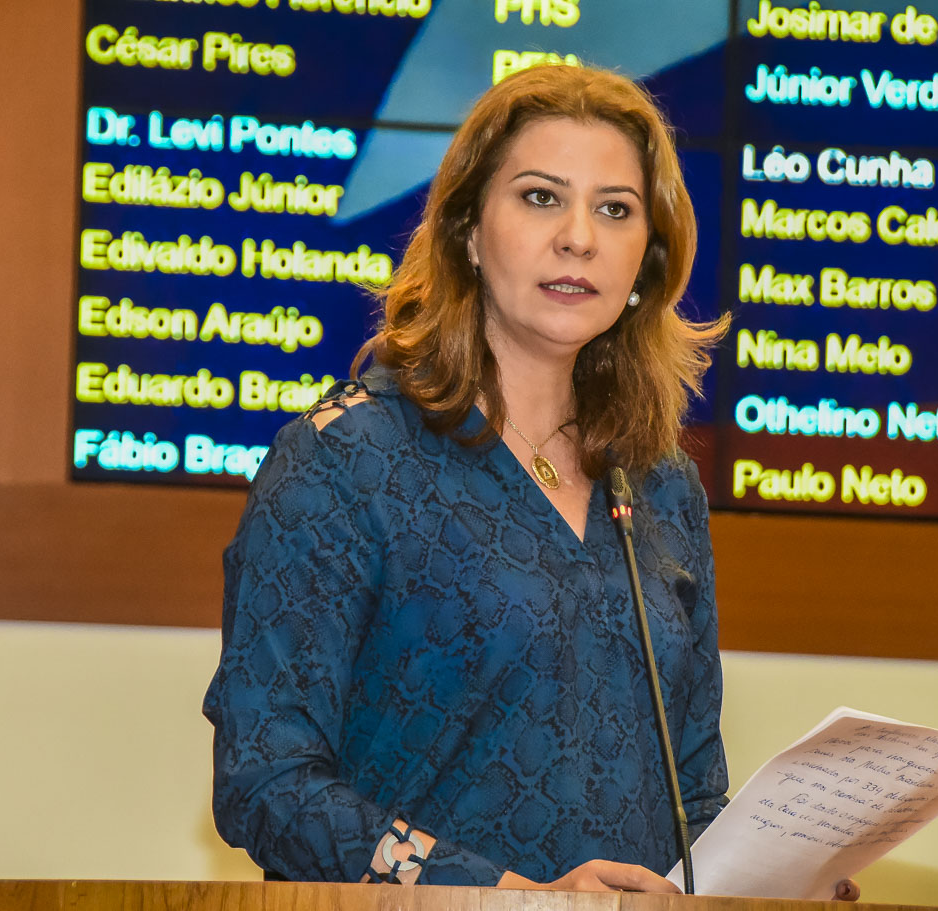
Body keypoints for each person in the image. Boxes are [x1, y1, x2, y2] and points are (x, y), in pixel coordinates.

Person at [204, 63, 856, 899]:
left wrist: (766, 881)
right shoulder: (343, 460)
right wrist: (511, 896)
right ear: (470, 233)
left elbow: (692, 796)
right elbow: (268, 784)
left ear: (644, 265)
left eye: (615, 210)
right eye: (542, 197)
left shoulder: (661, 487)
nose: (579, 236)